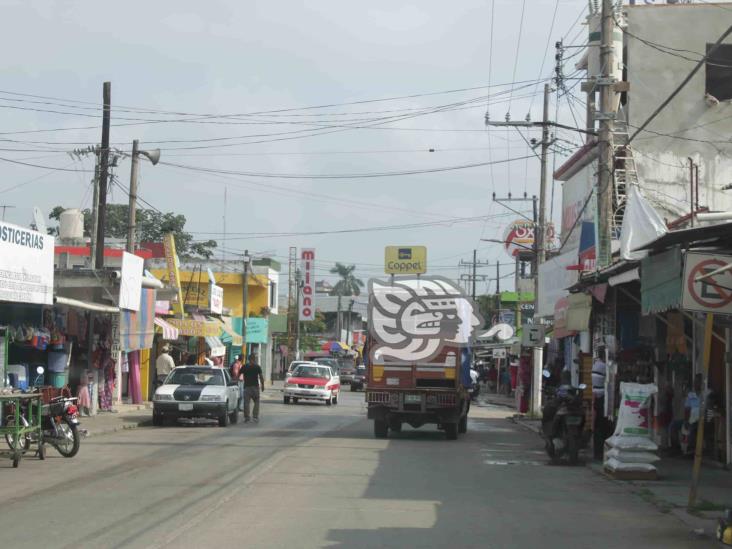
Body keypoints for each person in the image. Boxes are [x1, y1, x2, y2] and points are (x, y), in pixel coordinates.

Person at [592, 348, 609, 460]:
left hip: (597, 396)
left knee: (598, 425)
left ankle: (597, 452)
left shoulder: (596, 364)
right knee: (603, 426)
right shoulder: (603, 366)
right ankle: (600, 452)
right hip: (602, 397)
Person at [241, 353, 265, 423]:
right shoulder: (257, 367)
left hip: (247, 387)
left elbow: (239, 374)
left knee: (246, 403)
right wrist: (263, 385)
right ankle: (255, 416)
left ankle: (247, 417)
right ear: (254, 359)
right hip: (255, 387)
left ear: (248, 359)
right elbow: (261, 377)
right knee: (257, 401)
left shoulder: (245, 366)